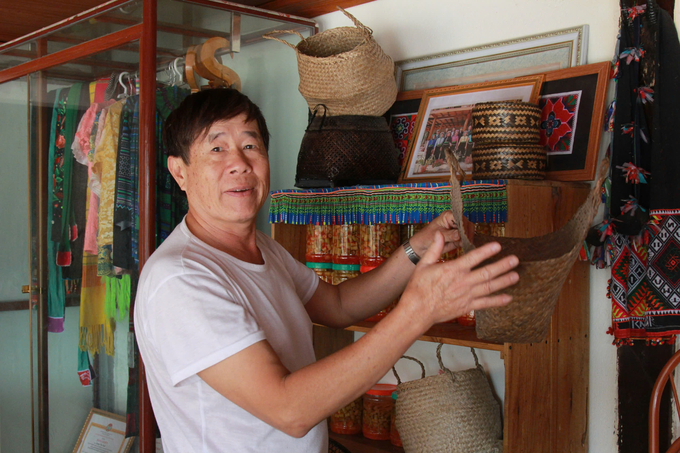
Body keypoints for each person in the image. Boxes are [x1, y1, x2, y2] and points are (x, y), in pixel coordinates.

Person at [133, 88, 519, 453]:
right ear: (179, 171)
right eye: (217, 148)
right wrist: (418, 311)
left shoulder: (262, 248)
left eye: (250, 145)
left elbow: (337, 305)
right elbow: (289, 409)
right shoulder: (181, 279)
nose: (240, 163)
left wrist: (417, 248)